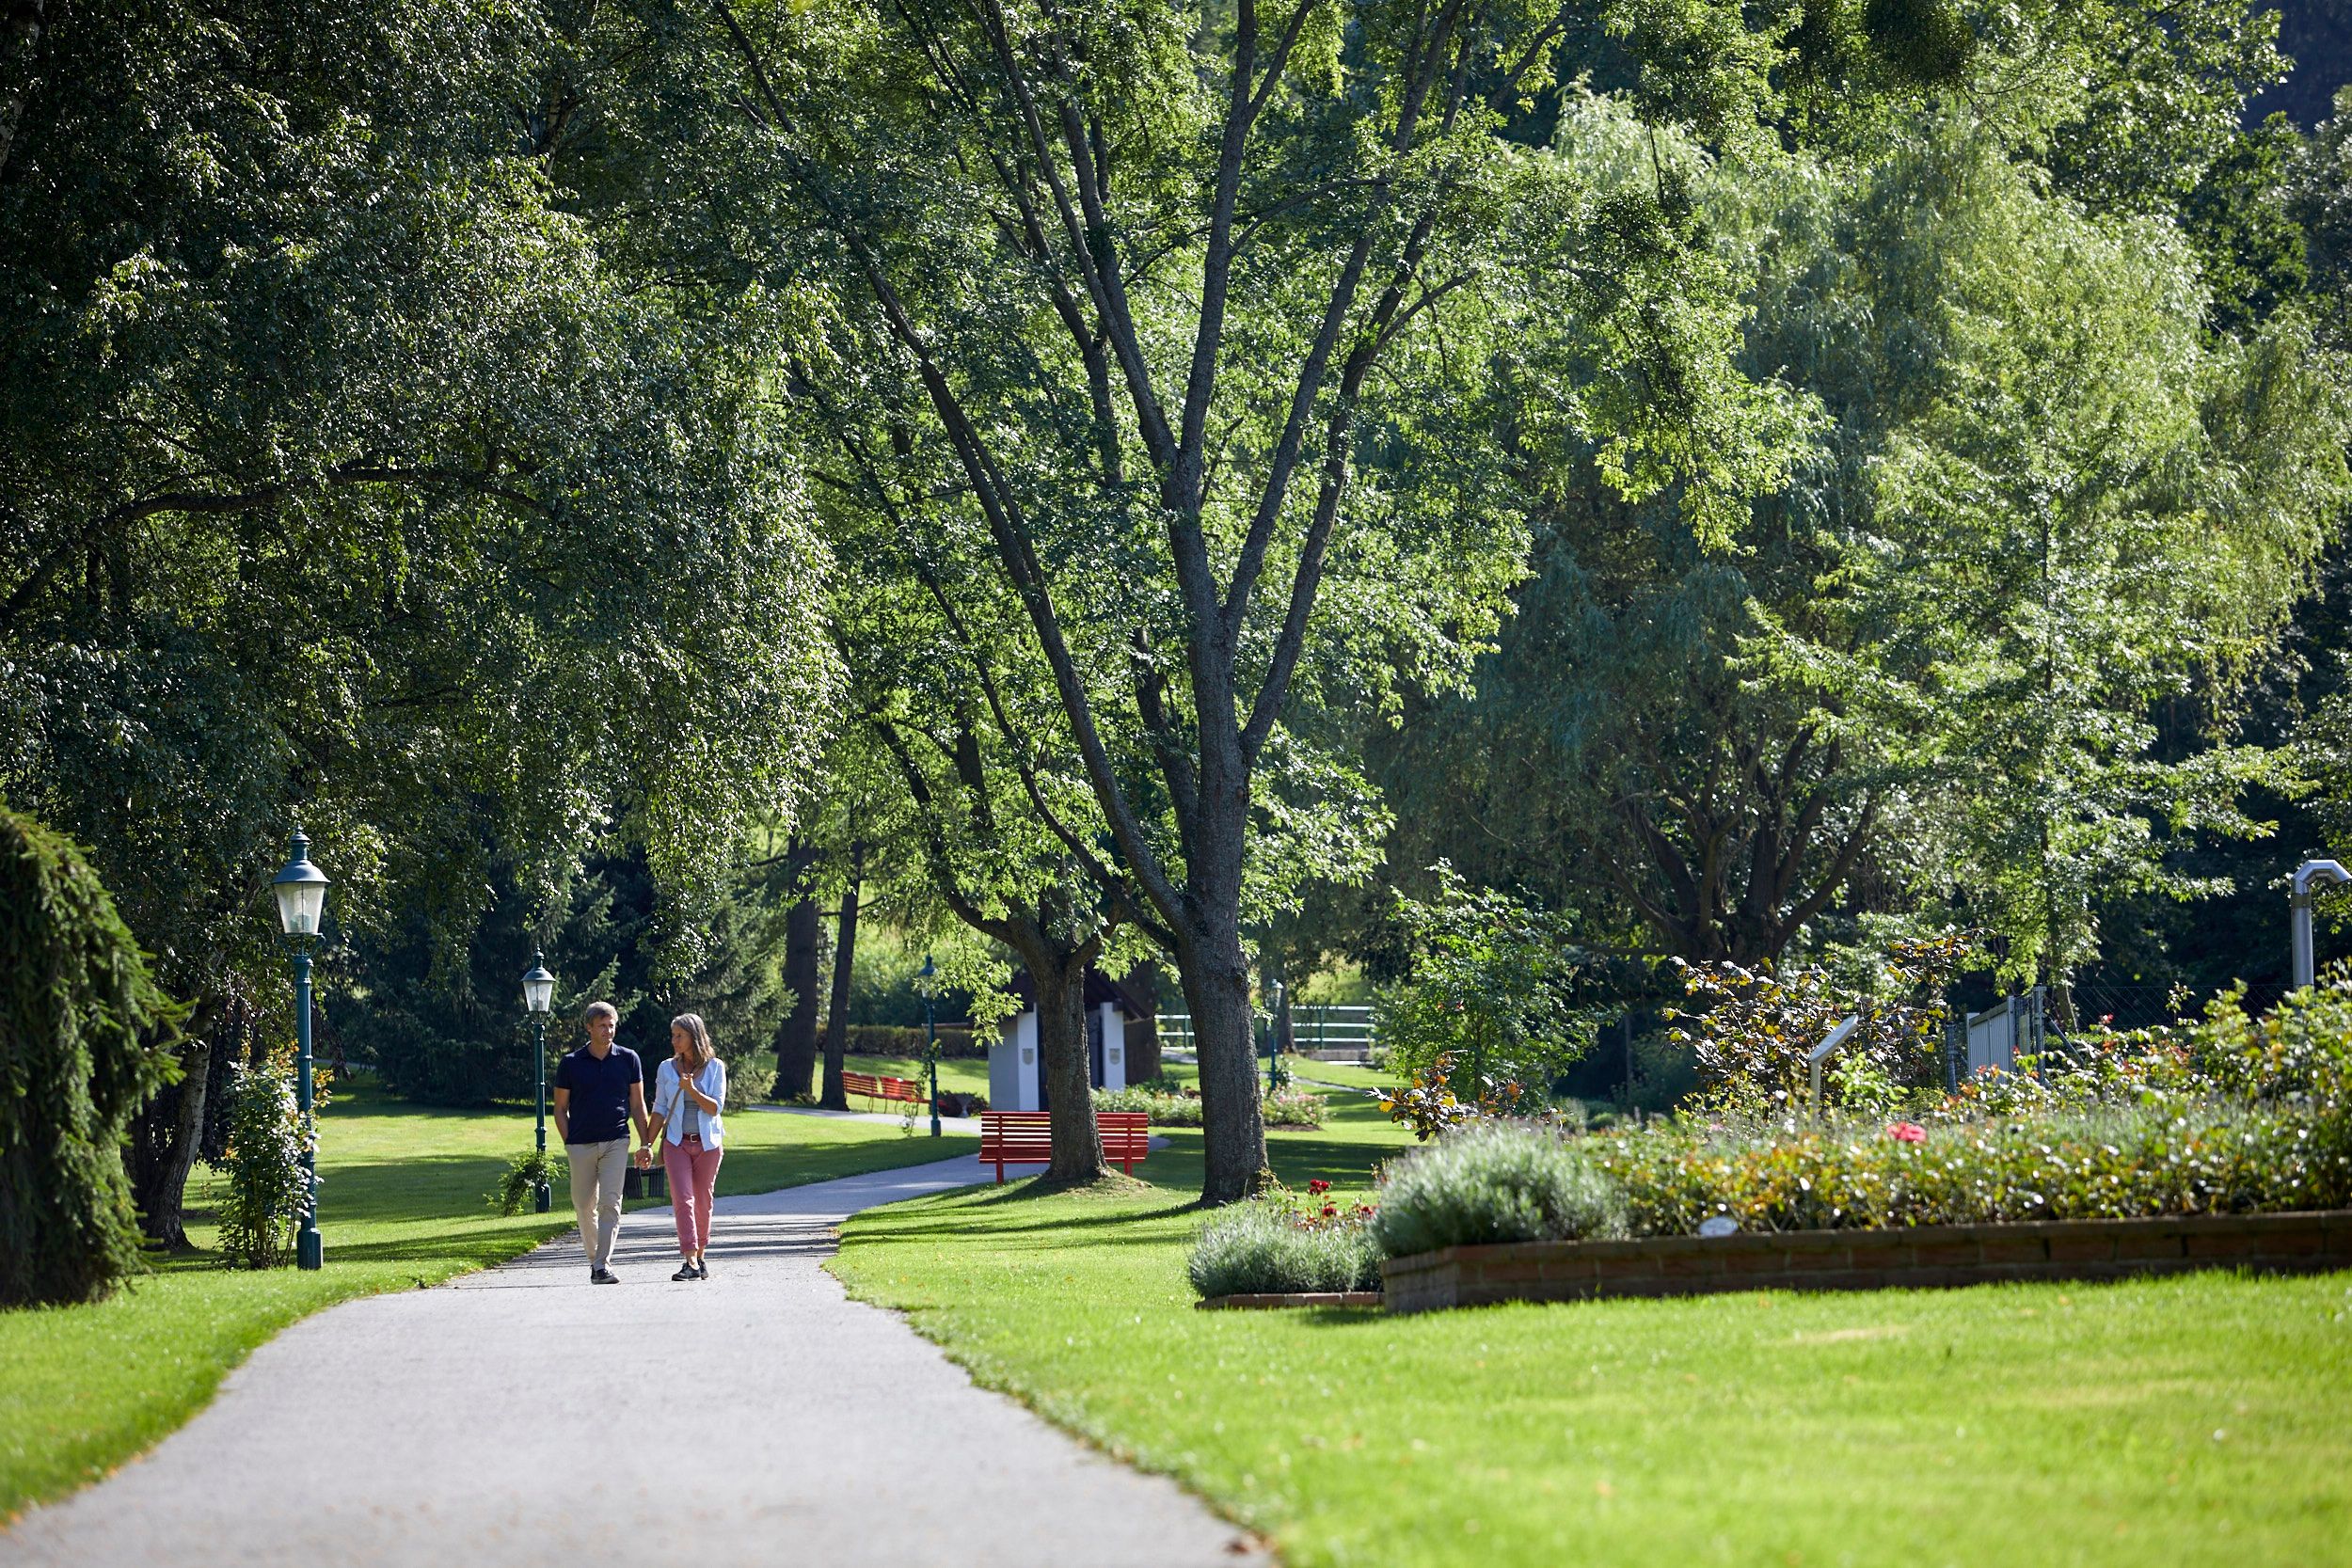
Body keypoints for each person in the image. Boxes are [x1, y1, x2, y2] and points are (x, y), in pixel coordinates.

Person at [551, 1001, 649, 1284]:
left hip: (616, 1141)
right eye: (603, 1026)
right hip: (580, 1144)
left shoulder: (628, 1059)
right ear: (589, 1027)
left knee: (610, 1203)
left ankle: (601, 1265)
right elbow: (559, 1108)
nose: (608, 1030)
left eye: (612, 1025)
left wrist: (645, 1142)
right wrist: (569, 1141)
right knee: (584, 1205)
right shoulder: (571, 1063)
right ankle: (596, 1261)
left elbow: (638, 1103)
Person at [642, 1012, 726, 1281]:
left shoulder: (715, 1068)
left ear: (694, 1036)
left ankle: (701, 1256)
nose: (674, 1041)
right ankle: (689, 1259)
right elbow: (660, 1108)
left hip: (708, 1145)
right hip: (676, 1143)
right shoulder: (667, 1068)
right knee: (683, 1199)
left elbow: (715, 1108)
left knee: (703, 1200)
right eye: (673, 1036)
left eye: (680, 1036)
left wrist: (691, 1090)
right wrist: (647, 1144)